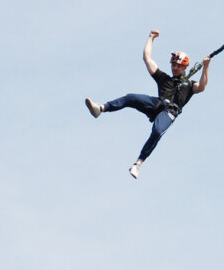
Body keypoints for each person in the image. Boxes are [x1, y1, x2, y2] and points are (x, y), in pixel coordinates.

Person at [85, 30, 210, 178]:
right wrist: (151, 38)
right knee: (131, 97)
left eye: (177, 66)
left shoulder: (189, 84)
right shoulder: (164, 79)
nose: (174, 68)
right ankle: (101, 108)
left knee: (157, 131)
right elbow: (147, 58)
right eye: (173, 65)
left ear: (184, 68)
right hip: (156, 104)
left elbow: (201, 87)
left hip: (169, 113)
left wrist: (206, 66)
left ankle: (138, 163)